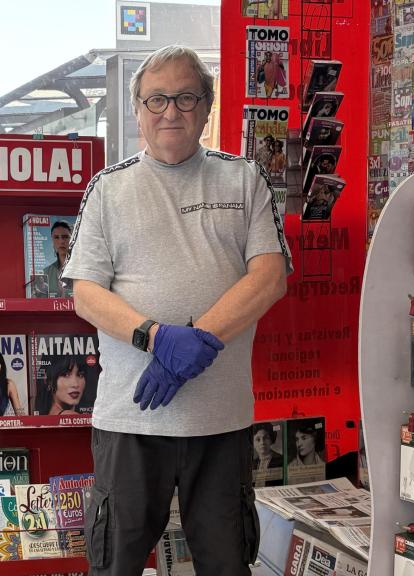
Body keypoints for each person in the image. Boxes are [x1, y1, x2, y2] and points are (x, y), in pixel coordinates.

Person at [62, 45, 292, 576]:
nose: (171, 111)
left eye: (186, 98)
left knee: (228, 564)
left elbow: (269, 277)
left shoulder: (245, 179)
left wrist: (196, 341)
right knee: (115, 563)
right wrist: (156, 338)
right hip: (130, 419)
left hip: (220, 421)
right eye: (157, 99)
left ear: (207, 106)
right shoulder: (107, 189)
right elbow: (86, 293)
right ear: (137, 110)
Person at [37, 220, 73, 298]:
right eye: (56, 237)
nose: (61, 241)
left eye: (65, 237)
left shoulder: (84, 270)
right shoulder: (45, 272)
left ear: (73, 239)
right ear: (52, 241)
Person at [252, 423, 284, 487]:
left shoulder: (281, 460)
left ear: (271, 440)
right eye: (258, 439)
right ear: (253, 443)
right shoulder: (252, 463)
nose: (262, 443)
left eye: (266, 438)